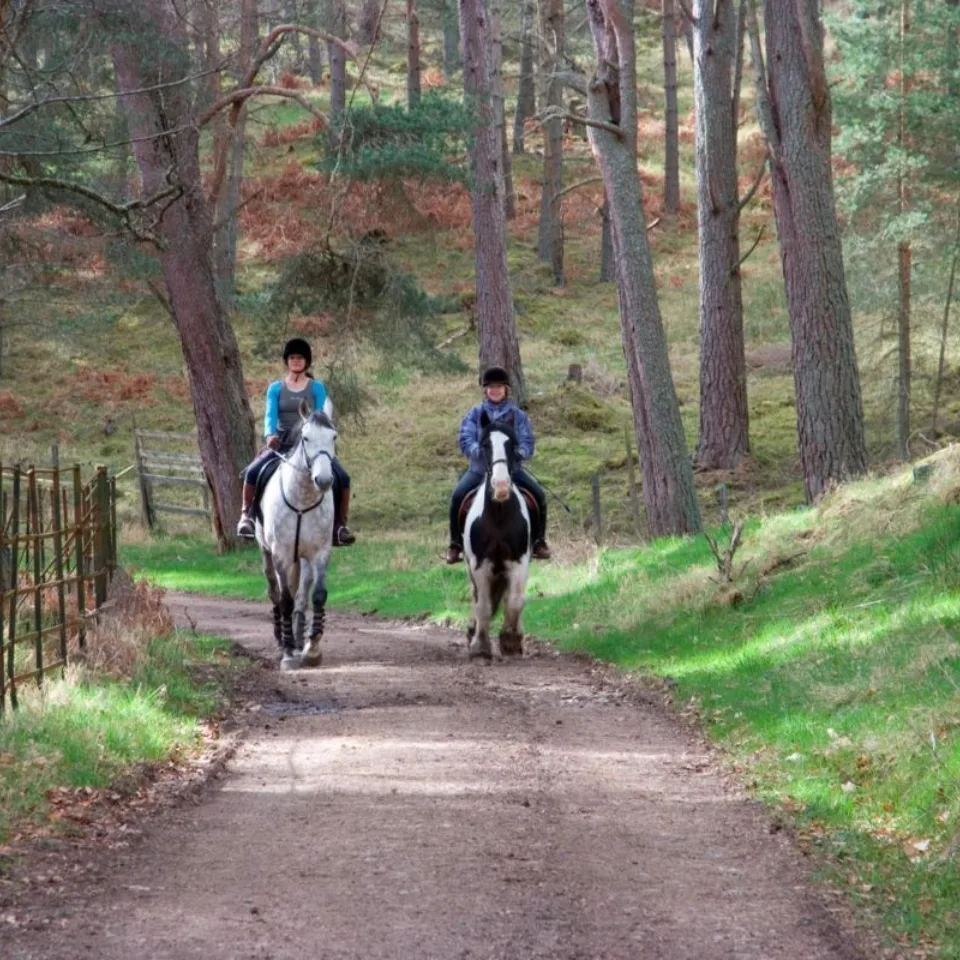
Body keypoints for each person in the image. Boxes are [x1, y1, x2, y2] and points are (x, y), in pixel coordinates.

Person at [237, 337, 355, 546]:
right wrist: (269, 435)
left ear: (306, 361)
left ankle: (340, 526)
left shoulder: (317, 388)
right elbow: (269, 416)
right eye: (292, 357)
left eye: (300, 358)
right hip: (281, 443)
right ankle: (247, 517)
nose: (296, 361)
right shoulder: (275, 388)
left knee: (343, 477)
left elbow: (320, 417)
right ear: (287, 361)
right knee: (252, 472)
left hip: (310, 443)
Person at [445, 366, 551, 564]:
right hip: (479, 470)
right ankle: (455, 544)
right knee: (457, 496)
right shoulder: (474, 415)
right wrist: (478, 451)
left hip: (512, 470)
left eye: (499, 387)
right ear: (485, 390)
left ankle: (538, 541)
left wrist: (520, 453)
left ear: (506, 389)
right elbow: (466, 438)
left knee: (539, 495)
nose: (495, 390)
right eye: (491, 387)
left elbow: (527, 441)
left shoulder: (518, 416)